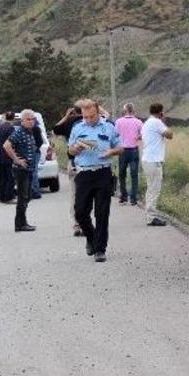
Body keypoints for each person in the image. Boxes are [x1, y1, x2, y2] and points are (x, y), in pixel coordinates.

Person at [68, 99, 122, 262]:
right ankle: (91, 238)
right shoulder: (77, 128)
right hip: (84, 174)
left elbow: (121, 148)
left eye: (92, 116)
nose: (89, 120)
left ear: (98, 112)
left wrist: (111, 152)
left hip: (103, 172)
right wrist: (75, 149)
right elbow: (70, 150)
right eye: (85, 117)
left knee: (102, 213)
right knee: (80, 212)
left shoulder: (109, 127)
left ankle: (100, 249)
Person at [3, 109, 38, 232]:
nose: (31, 121)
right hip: (21, 170)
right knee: (23, 197)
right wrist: (16, 159)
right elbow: (6, 145)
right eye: (28, 119)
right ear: (22, 121)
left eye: (33, 119)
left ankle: (23, 222)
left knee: (27, 196)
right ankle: (19, 224)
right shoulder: (19, 132)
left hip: (29, 169)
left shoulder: (29, 132)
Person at [53, 102, 85, 236]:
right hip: (89, 163)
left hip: (73, 162)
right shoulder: (91, 122)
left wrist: (66, 116)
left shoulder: (69, 122)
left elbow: (55, 129)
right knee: (88, 195)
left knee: (75, 194)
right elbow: (107, 117)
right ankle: (86, 222)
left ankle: (77, 224)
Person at [141, 103, 173, 227]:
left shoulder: (146, 123)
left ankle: (150, 215)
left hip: (147, 159)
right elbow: (170, 135)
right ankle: (151, 217)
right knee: (154, 189)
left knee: (151, 188)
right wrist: (163, 121)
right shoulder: (157, 122)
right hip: (153, 160)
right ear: (160, 112)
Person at [115, 103, 143, 206]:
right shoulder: (138, 122)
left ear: (124, 110)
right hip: (134, 150)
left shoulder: (119, 121)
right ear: (133, 110)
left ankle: (123, 197)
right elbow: (142, 135)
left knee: (122, 174)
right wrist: (137, 136)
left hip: (122, 150)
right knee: (134, 175)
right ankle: (133, 198)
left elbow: (115, 134)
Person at [0, 112, 17, 204]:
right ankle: (8, 197)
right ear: (13, 119)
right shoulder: (11, 128)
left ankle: (2, 197)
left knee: (3, 177)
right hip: (7, 156)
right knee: (10, 178)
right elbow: (12, 142)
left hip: (0, 155)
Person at [30, 120, 44, 200]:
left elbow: (40, 141)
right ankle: (32, 190)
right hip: (29, 153)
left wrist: (35, 147)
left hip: (35, 153)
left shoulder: (36, 129)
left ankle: (36, 191)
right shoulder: (25, 129)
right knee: (31, 172)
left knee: (33, 172)